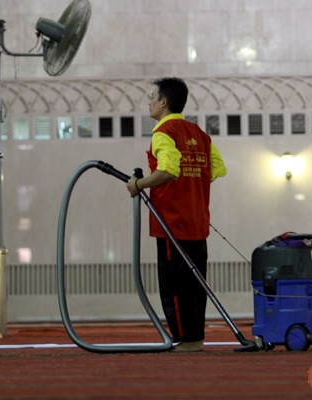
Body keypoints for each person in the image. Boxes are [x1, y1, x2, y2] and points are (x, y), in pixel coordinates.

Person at [126, 77, 227, 352]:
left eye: (152, 96)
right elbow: (216, 169)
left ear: (164, 102)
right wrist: (192, 186)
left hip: (172, 223)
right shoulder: (199, 133)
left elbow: (169, 170)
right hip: (197, 222)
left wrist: (138, 185)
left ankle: (187, 340)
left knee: (175, 286)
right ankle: (195, 337)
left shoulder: (163, 132)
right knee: (196, 284)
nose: (148, 101)